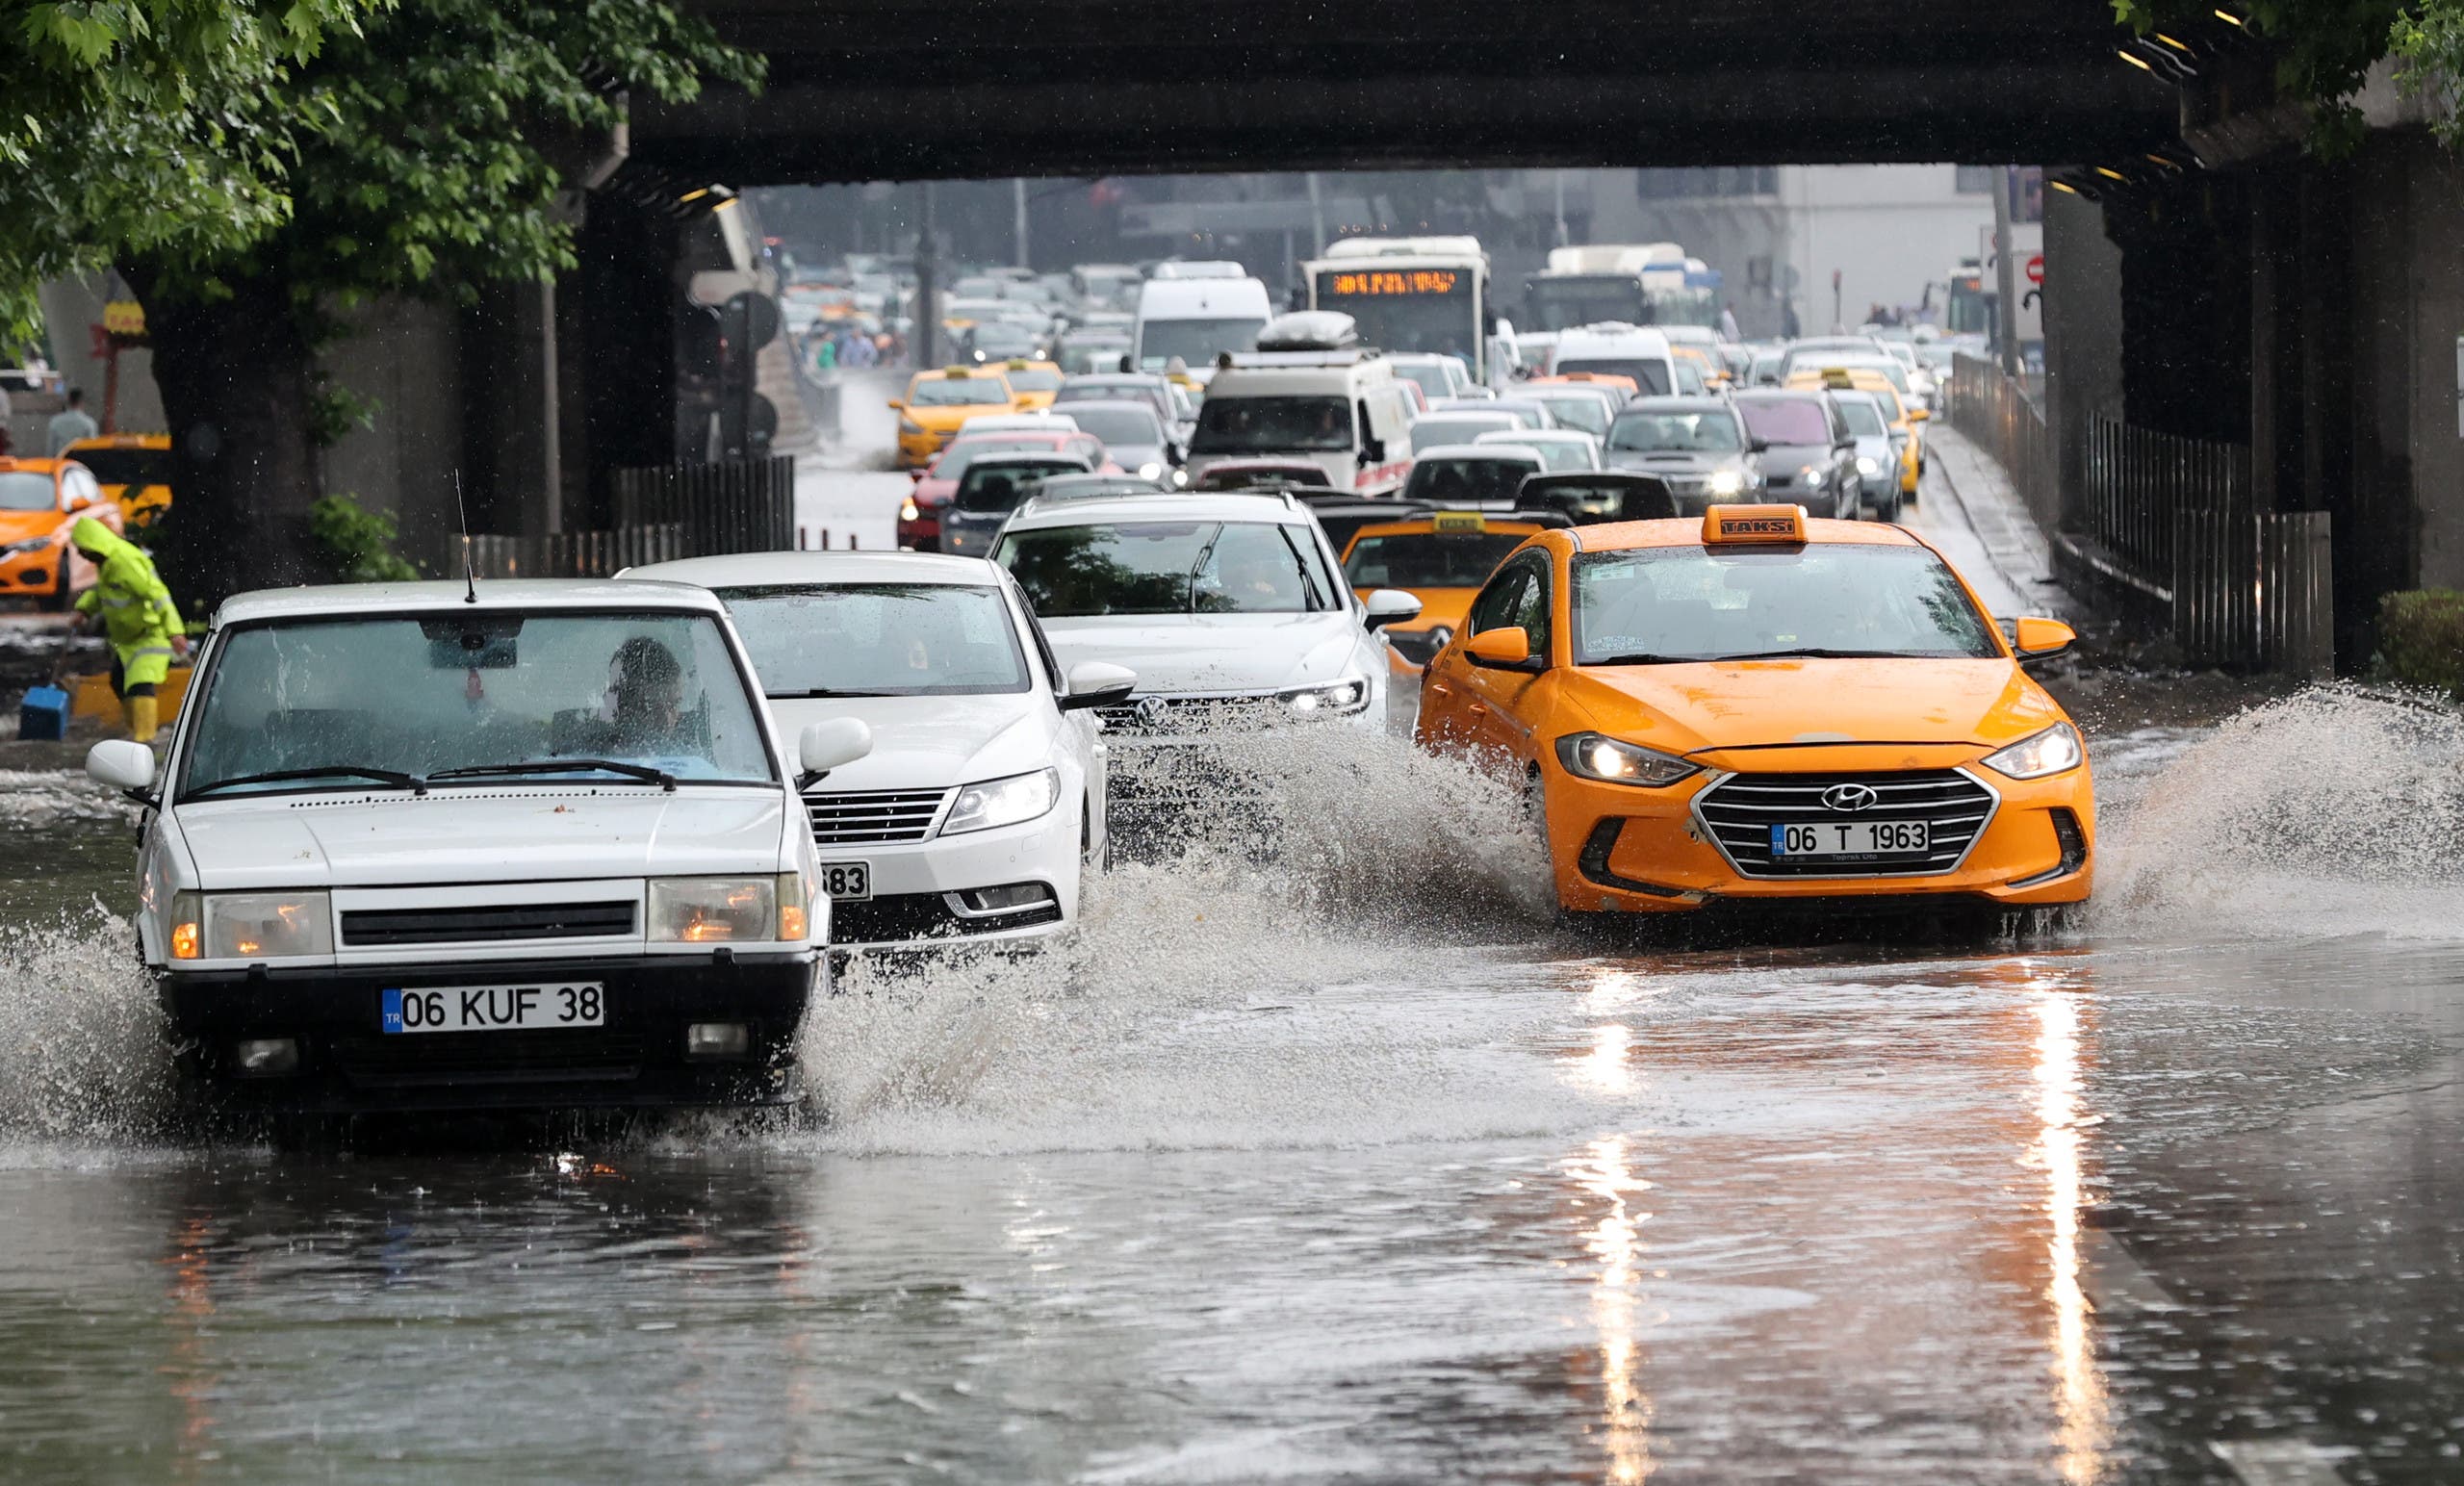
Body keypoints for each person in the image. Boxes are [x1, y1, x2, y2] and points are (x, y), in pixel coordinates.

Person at [68, 516, 185, 743]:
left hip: (149, 634)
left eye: (83, 550)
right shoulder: (106, 563)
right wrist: (84, 610)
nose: (81, 555)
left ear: (94, 544)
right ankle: (137, 732)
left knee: (140, 682)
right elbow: (104, 593)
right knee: (119, 681)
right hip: (127, 641)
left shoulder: (125, 561)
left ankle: (145, 739)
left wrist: (174, 631)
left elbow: (158, 594)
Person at [47, 387, 98, 455]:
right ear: (82, 402)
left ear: (69, 400)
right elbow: (92, 449)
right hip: (80, 463)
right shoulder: (88, 423)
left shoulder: (55, 421)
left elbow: (50, 449)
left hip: (61, 462)